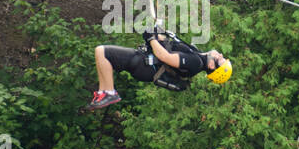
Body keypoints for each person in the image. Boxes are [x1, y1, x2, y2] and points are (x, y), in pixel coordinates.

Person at [88, 28, 232, 109]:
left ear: (212, 65)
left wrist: (152, 39)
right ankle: (104, 92)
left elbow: (165, 57)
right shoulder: (195, 52)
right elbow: (170, 46)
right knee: (102, 53)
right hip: (144, 62)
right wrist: (157, 34)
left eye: (220, 59)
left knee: (102, 51)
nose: (220, 54)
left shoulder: (195, 63)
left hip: (144, 65)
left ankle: (108, 92)